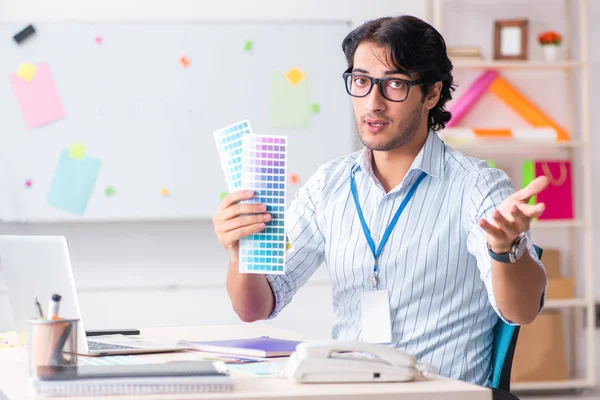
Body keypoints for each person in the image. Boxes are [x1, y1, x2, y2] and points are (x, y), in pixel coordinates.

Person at [212, 15, 548, 386]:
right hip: (345, 390)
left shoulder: (478, 187)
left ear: (432, 94)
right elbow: (255, 308)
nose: (373, 102)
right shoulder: (328, 185)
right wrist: (237, 251)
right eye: (361, 81)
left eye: (394, 84)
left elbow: (522, 311)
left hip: (435, 394)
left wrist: (506, 251)